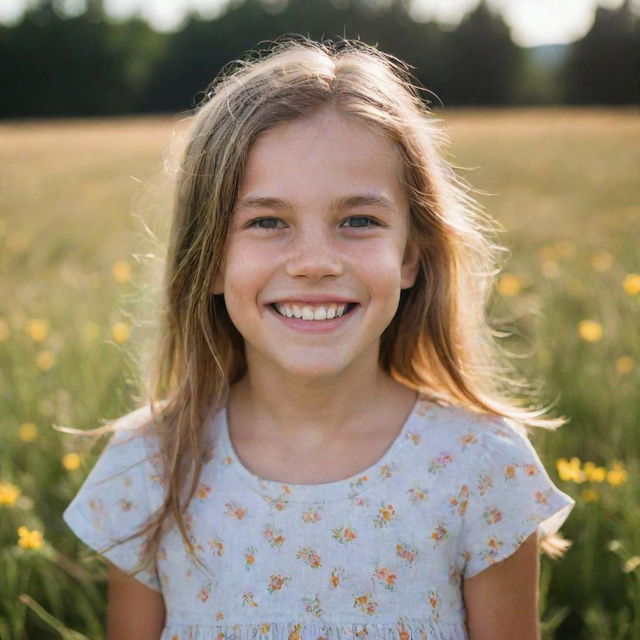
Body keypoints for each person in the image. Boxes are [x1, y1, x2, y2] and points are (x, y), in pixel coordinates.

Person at [63, 37, 575, 640]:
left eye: (358, 221)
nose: (314, 262)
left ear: (410, 256)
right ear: (209, 261)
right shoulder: (148, 468)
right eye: (267, 222)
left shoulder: (483, 467)